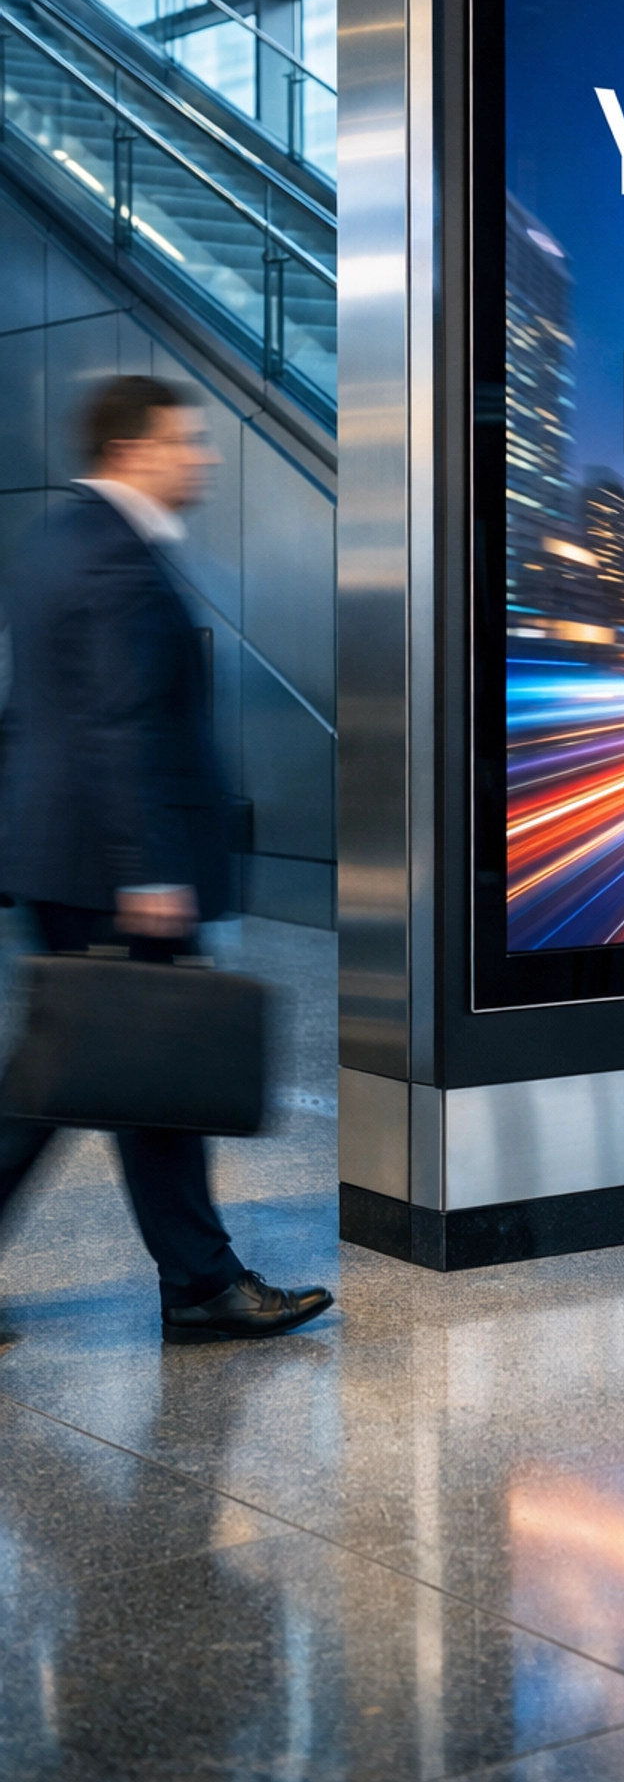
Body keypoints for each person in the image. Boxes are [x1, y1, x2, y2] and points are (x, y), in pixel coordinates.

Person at [0, 375, 334, 1340]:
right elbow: (117, 726)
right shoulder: (113, 558)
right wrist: (146, 868)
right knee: (104, 1071)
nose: (206, 457)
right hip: (109, 864)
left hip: (62, 851)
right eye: (188, 442)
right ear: (136, 449)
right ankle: (201, 1283)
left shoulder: (58, 539)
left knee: (108, 1072)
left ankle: (199, 1280)